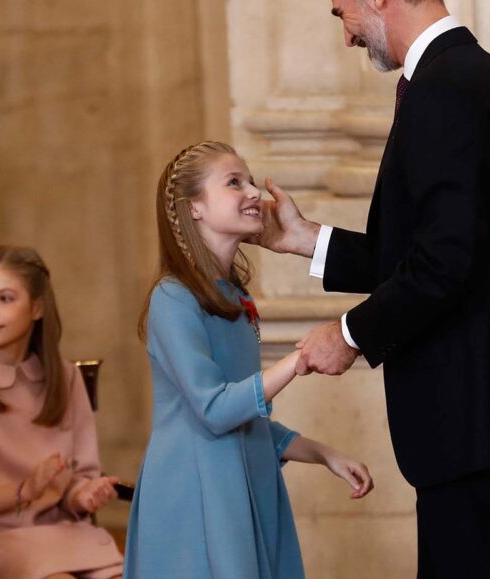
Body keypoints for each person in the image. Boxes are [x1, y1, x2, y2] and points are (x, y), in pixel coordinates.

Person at [256, 0, 490, 577]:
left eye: (341, 11)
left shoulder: (443, 92)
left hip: (475, 422)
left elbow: (442, 265)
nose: (344, 34)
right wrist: (302, 238)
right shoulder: (476, 77)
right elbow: (429, 250)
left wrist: (348, 333)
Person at [125, 141, 374, 578]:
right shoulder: (173, 299)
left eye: (251, 181)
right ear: (194, 208)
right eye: (234, 182)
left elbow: (248, 419)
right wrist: (298, 361)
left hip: (247, 484)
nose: (254, 193)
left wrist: (323, 454)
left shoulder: (236, 298)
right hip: (198, 493)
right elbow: (215, 409)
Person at [0, 245, 125, 579]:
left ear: (36, 308)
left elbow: (79, 478)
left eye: (4, 299)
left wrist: (84, 495)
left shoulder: (66, 377)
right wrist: (23, 492)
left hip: (63, 534)